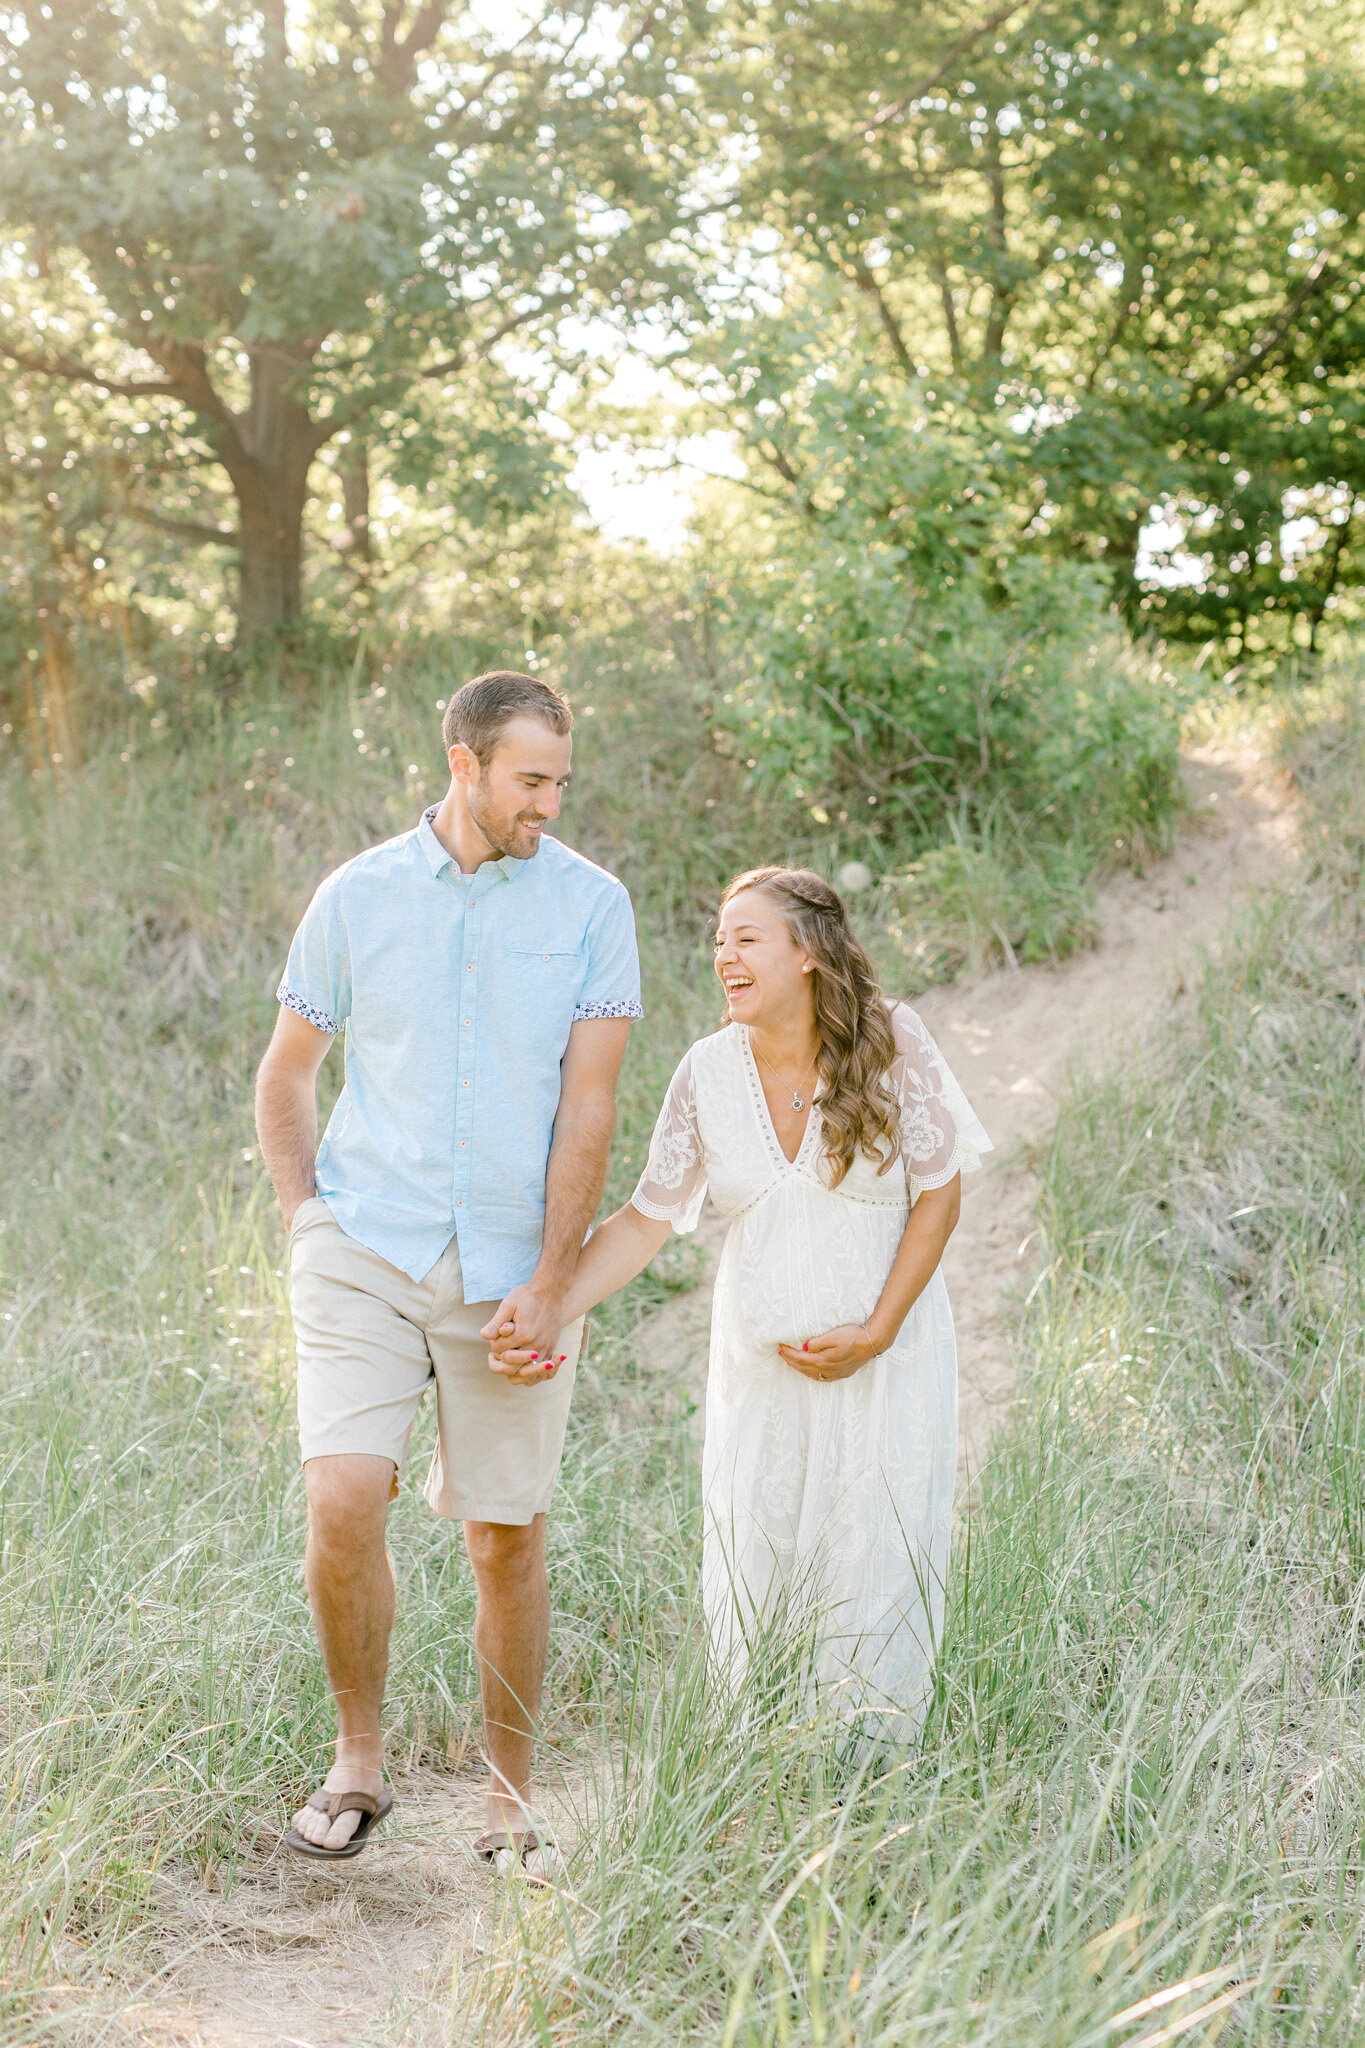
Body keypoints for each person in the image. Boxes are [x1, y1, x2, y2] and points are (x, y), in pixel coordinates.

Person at [254, 670, 641, 1871]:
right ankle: (358, 1763)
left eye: (561, 782)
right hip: (365, 1241)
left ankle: (510, 1796)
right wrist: (307, 1219)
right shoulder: (357, 896)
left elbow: (591, 1105)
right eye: (531, 781)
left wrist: (554, 1274)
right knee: (341, 1496)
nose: (549, 804)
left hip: (513, 1270)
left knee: (504, 1536)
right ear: (463, 762)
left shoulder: (593, 904)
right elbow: (286, 1072)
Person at [494, 866, 990, 1735]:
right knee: (759, 1563)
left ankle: (870, 1776)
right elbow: (645, 1221)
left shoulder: (891, 1041)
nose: (723, 955)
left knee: (870, 1558)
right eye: (718, 941)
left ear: (806, 954)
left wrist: (876, 1332)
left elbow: (938, 1197)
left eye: (746, 939)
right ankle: (760, 1765)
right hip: (760, 1375)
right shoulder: (705, 1073)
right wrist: (548, 1303)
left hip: (888, 1362)